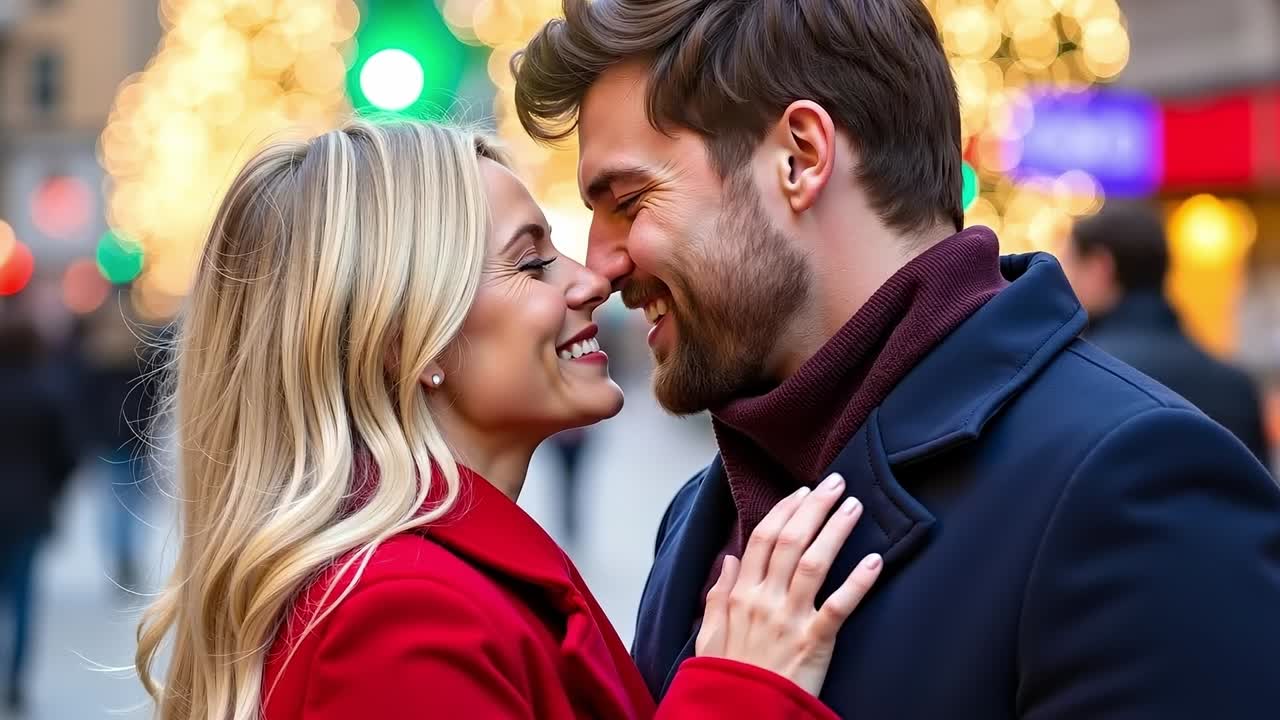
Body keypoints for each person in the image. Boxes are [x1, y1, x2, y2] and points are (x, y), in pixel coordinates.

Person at [511, 0, 1280, 717]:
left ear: (800, 157)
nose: (599, 264)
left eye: (630, 201)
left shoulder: (1129, 483)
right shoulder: (698, 517)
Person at [133, 120, 885, 720]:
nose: (591, 281)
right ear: (405, 340)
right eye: (531, 264)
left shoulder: (424, 585)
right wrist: (738, 695)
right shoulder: (397, 622)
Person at [1062, 202, 1272, 469]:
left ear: (1101, 268)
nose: (1067, 282)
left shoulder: (1076, 379)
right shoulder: (1235, 386)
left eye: (1071, 266)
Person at [0, 309, 77, 714]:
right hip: (30, 506)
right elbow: (65, 455)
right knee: (24, 595)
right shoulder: (45, 391)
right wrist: (53, 490)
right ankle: (15, 678)